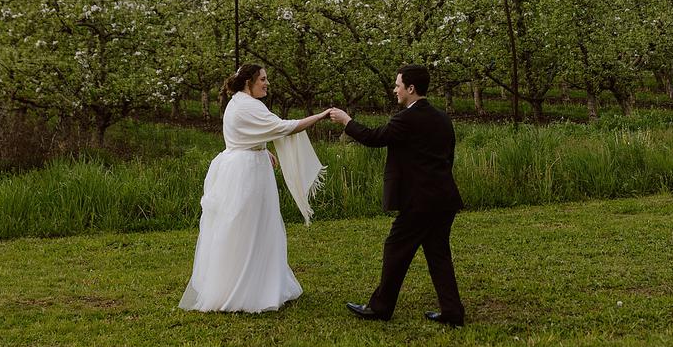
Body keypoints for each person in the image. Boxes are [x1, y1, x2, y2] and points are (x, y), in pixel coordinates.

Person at [179, 64, 331, 313]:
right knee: (248, 227)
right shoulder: (249, 105)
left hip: (245, 164)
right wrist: (320, 116)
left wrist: (262, 148)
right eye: (262, 79)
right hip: (246, 172)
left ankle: (258, 282)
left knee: (254, 225)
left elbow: (246, 133)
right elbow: (284, 127)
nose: (267, 83)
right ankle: (246, 291)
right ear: (248, 82)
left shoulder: (238, 102)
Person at [327, 64, 465, 326]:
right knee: (438, 255)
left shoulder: (406, 118)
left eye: (397, 85)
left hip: (419, 202)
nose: (394, 89)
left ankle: (380, 307)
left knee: (395, 250)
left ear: (411, 89)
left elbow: (374, 138)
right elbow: (448, 156)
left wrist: (347, 121)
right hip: (444, 198)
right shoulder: (442, 117)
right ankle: (452, 312)